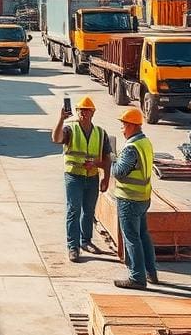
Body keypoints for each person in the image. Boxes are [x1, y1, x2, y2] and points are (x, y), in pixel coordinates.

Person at [52, 95, 111, 263]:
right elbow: (56, 139)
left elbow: (107, 159)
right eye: (80, 111)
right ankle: (73, 246)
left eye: (87, 110)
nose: (83, 113)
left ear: (93, 113)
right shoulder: (70, 129)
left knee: (89, 212)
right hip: (73, 177)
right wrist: (60, 119)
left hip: (92, 178)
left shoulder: (100, 133)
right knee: (74, 210)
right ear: (77, 112)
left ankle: (86, 242)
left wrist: (105, 177)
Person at [112, 107, 158, 289]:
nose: (122, 129)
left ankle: (137, 278)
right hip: (143, 198)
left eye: (123, 125)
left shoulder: (131, 148)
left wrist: (112, 158)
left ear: (132, 126)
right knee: (143, 236)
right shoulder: (145, 143)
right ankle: (151, 272)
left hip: (129, 199)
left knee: (131, 238)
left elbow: (119, 172)